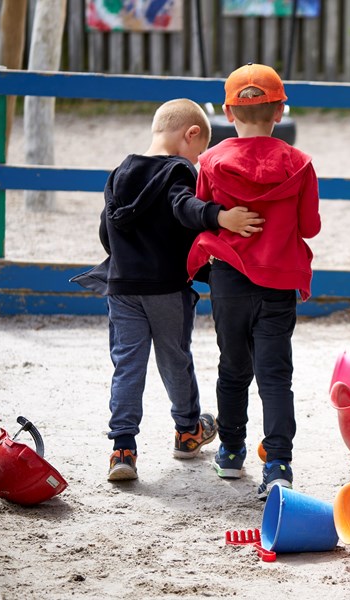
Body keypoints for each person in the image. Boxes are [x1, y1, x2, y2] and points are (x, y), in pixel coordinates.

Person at [74, 98, 265, 481]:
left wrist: (128, 260)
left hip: (122, 287)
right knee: (175, 358)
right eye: (198, 152)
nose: (197, 161)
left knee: (127, 364)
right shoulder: (179, 171)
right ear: (190, 134)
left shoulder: (119, 172)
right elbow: (185, 207)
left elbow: (104, 231)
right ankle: (188, 431)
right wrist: (217, 216)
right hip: (165, 288)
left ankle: (123, 448)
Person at [186, 63, 321, 500]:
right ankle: (279, 463)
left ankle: (229, 450)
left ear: (228, 111)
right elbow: (310, 226)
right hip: (278, 281)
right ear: (280, 111)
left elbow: (202, 214)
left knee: (232, 366)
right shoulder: (300, 164)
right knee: (275, 374)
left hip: (228, 280)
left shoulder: (209, 160)